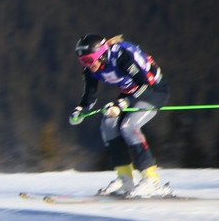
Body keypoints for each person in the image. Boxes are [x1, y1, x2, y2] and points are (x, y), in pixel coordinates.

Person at [69, 35, 171, 198]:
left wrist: (122, 104)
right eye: (82, 61)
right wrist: (80, 110)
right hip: (131, 94)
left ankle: (152, 181)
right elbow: (90, 94)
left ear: (101, 53)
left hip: (153, 92)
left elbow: (145, 85)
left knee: (129, 126)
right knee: (108, 123)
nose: (87, 65)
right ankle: (126, 179)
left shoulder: (122, 57)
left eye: (88, 59)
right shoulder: (91, 67)